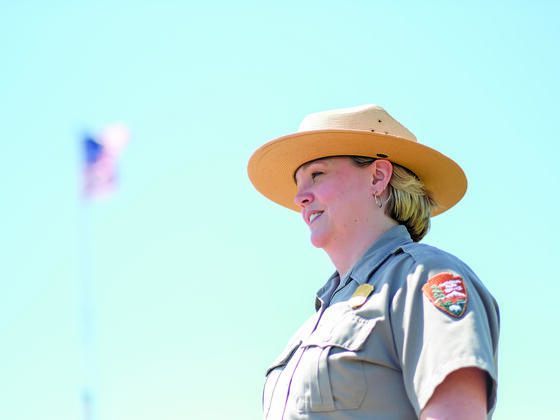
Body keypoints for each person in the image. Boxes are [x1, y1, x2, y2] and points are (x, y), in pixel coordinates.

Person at [247, 104, 499, 420]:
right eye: (299, 184)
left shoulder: (424, 278)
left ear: (378, 177)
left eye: (317, 174)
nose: (300, 197)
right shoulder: (315, 321)